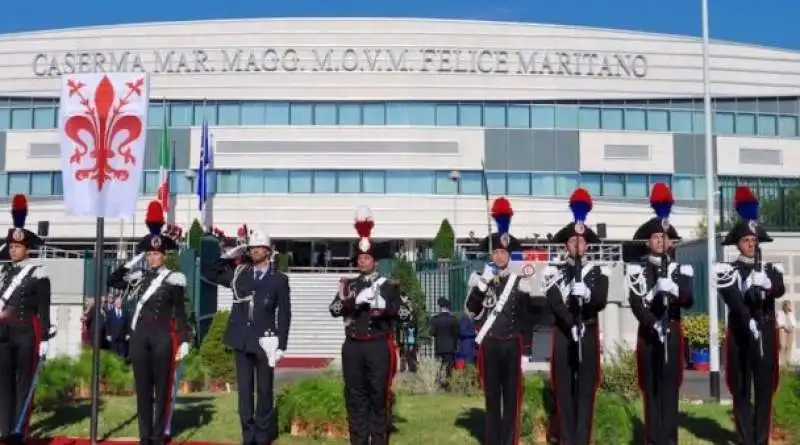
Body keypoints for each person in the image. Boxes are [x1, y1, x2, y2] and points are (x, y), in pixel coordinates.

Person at [107, 201, 190, 445]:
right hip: (140, 334)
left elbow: (180, 312)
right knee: (143, 389)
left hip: (163, 334)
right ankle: (145, 436)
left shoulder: (174, 278)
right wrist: (135, 259)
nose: (154, 257)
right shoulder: (138, 277)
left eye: (157, 254)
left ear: (164, 255)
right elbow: (113, 278)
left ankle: (157, 434)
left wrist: (184, 339)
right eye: (150, 254)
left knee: (162, 388)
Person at [206, 226, 291, 445]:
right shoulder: (239, 275)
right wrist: (232, 253)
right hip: (242, 340)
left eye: (259, 248)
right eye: (252, 248)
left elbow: (285, 313)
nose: (255, 251)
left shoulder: (278, 279)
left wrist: (281, 344)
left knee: (264, 391)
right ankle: (248, 435)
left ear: (268, 251)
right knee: (244, 392)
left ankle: (262, 436)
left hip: (266, 341)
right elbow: (211, 271)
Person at [715, 186, 785, 445]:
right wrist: (746, 307)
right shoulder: (727, 269)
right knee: (742, 389)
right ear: (737, 243)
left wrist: (766, 284)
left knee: (764, 389)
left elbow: (779, 289)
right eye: (746, 241)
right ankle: (745, 439)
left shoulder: (769, 268)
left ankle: (761, 439)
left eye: (754, 241)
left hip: (765, 331)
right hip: (741, 333)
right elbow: (731, 298)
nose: (751, 245)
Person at [328, 206, 404, 445]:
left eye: (367, 258)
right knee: (355, 397)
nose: (363, 261)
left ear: (375, 261)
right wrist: (351, 301)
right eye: (360, 258)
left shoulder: (388, 285)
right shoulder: (348, 285)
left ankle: (379, 440)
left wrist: (386, 307)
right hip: (353, 347)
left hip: (378, 346)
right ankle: (358, 440)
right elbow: (334, 310)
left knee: (378, 395)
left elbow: (404, 314)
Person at [625, 183, 694, 445]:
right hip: (649, 334)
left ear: (670, 241)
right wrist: (652, 321)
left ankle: (669, 440)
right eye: (655, 237)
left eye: (664, 238)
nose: (660, 241)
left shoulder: (682, 269)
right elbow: (635, 303)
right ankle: (653, 439)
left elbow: (688, 299)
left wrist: (674, 289)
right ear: (648, 241)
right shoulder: (637, 271)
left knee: (670, 390)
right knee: (651, 389)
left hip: (673, 331)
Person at [465, 197, 536, 445]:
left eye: (502, 252)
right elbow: (471, 311)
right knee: (492, 396)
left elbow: (528, 318)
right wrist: (482, 285)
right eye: (495, 252)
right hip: (490, 345)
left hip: (512, 344)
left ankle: (509, 440)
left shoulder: (520, 282)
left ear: (509, 254)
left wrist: (527, 350)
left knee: (512, 397)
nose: (498, 256)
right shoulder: (479, 279)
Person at [543, 188, 609, 445]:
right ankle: (567, 439)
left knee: (585, 391)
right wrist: (570, 323)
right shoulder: (553, 270)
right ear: (566, 246)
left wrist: (588, 296)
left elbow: (601, 300)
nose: (577, 246)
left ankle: (582, 440)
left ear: (587, 245)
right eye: (572, 242)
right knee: (564, 391)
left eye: (581, 242)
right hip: (563, 334)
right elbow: (554, 303)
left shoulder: (598, 271)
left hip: (588, 331)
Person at [0, 194, 55, 445]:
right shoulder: (3, 273)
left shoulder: (38, 272)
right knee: (4, 383)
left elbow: (44, 308)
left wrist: (43, 338)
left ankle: (19, 430)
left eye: (17, 247)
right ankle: (4, 428)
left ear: (27, 248)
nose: (13, 250)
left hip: (26, 333)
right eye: (10, 246)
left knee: (24, 382)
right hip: (4, 334)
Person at [430, 298, 458, 389]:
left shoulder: (435, 319)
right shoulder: (453, 319)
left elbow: (432, 333)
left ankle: (438, 384)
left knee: (439, 367)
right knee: (449, 368)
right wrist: (455, 345)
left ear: (440, 307)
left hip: (439, 347)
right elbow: (456, 334)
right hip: (450, 348)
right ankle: (448, 386)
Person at [777, 300, 795, 367]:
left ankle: (788, 361)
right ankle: (782, 362)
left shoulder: (791, 313)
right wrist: (785, 327)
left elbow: (794, 323)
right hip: (783, 329)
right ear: (784, 306)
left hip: (790, 330)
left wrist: (790, 314)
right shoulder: (779, 312)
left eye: (790, 305)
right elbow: (779, 322)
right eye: (788, 305)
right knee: (782, 346)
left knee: (789, 346)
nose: (789, 307)